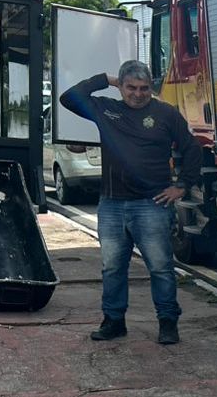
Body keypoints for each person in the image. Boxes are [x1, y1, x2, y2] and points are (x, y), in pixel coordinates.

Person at [61, 60, 200, 345]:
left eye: (144, 88)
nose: (138, 94)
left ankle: (167, 322)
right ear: (121, 87)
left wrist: (182, 186)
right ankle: (113, 321)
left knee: (160, 267)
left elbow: (192, 148)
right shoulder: (105, 109)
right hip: (112, 204)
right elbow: (69, 98)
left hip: (152, 205)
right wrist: (106, 78)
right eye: (131, 87)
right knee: (112, 267)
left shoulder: (165, 113)